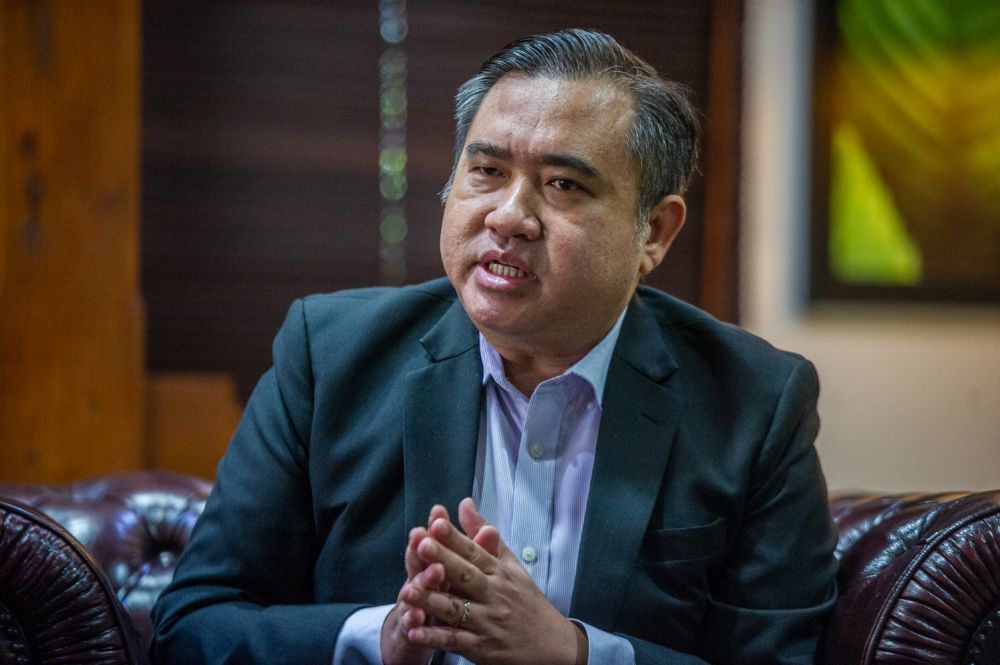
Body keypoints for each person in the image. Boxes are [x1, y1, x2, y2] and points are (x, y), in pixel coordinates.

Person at [150, 28, 838, 665]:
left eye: (563, 184)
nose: (509, 215)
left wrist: (574, 652)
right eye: (486, 171)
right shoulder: (329, 358)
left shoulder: (754, 403)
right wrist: (375, 637)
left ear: (654, 232)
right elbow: (191, 626)